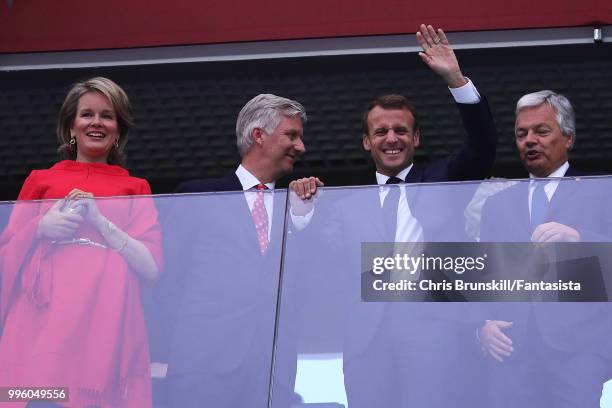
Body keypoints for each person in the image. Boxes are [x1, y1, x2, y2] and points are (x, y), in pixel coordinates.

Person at [289, 24, 497, 408]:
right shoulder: (346, 203)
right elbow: (322, 263)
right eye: (381, 131)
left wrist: (456, 79)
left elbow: (483, 145)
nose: (392, 138)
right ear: (367, 142)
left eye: (401, 130)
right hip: (367, 343)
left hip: (433, 336)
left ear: (416, 138)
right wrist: (301, 215)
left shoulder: (444, 179)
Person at [0, 77, 162, 408]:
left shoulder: (136, 186)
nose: (97, 123)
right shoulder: (40, 179)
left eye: (107, 115)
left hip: (104, 316)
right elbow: (6, 256)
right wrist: (41, 227)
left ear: (119, 129)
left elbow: (151, 266)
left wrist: (101, 223)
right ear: (71, 125)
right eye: (87, 114)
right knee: (40, 399)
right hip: (41, 320)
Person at [152, 93, 307, 407]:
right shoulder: (197, 198)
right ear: (258, 136)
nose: (301, 146)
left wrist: (305, 218)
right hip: (202, 369)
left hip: (273, 374)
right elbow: (167, 284)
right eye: (291, 135)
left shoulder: (300, 205)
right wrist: (158, 356)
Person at [478, 90, 612, 407]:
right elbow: (484, 275)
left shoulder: (602, 191)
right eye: (522, 134)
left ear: (568, 138)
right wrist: (481, 325)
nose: (530, 140)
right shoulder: (497, 204)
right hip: (511, 350)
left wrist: (581, 238)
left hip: (578, 350)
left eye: (542, 131)